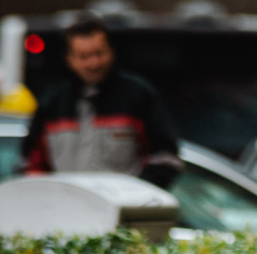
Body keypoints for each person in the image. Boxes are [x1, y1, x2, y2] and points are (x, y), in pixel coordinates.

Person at [20, 15, 182, 188]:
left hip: (125, 210)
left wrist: (137, 198)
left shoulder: (138, 96)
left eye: (99, 53)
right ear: (69, 59)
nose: (93, 63)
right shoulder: (52, 103)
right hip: (64, 210)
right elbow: (31, 164)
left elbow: (166, 159)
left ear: (112, 51)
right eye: (83, 56)